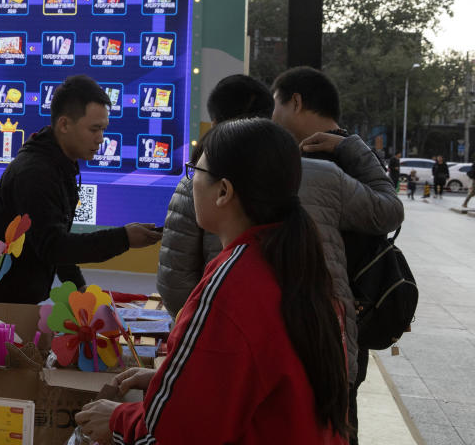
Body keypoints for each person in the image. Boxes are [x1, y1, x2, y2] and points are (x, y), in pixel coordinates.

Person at [75, 119, 349, 444]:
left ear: (223, 191)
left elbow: (176, 435)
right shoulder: (295, 265)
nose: (190, 182)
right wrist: (171, 380)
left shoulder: (233, 282)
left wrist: (118, 419)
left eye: (195, 171)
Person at [0, 75, 162, 334]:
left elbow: (54, 241)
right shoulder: (36, 173)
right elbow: (54, 247)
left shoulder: (61, 165)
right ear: (64, 124)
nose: (101, 139)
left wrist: (80, 291)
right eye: (94, 129)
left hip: (16, 302)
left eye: (104, 129)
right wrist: (124, 238)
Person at [271, 65, 404, 445]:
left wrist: (348, 148)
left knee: (331, 421)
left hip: (325, 317)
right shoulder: (342, 155)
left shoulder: (319, 161)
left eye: (275, 105)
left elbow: (390, 210)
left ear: (295, 101)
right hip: (346, 319)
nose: (272, 117)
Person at [157, 74, 274, 318]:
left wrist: (199, 327)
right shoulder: (292, 175)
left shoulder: (198, 182)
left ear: (214, 123)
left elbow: (175, 283)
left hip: (213, 330)